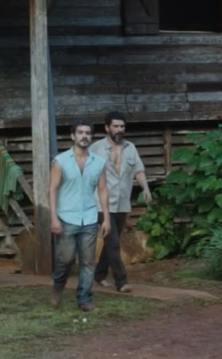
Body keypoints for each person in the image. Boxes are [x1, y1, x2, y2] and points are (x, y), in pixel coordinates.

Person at [49, 120, 111, 312]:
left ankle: (84, 299)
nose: (84, 136)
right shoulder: (61, 161)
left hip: (90, 218)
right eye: (80, 133)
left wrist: (106, 218)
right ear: (73, 136)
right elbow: (52, 189)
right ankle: (58, 287)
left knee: (88, 262)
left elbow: (102, 190)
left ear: (91, 137)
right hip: (67, 218)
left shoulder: (98, 163)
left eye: (88, 133)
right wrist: (53, 218)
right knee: (65, 259)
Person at [89, 111, 152, 293]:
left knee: (111, 242)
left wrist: (146, 189)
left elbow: (138, 170)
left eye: (122, 126)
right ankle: (121, 281)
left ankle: (99, 275)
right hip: (101, 203)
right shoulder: (96, 148)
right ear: (107, 127)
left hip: (122, 203)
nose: (119, 130)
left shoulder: (130, 148)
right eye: (115, 126)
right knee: (114, 242)